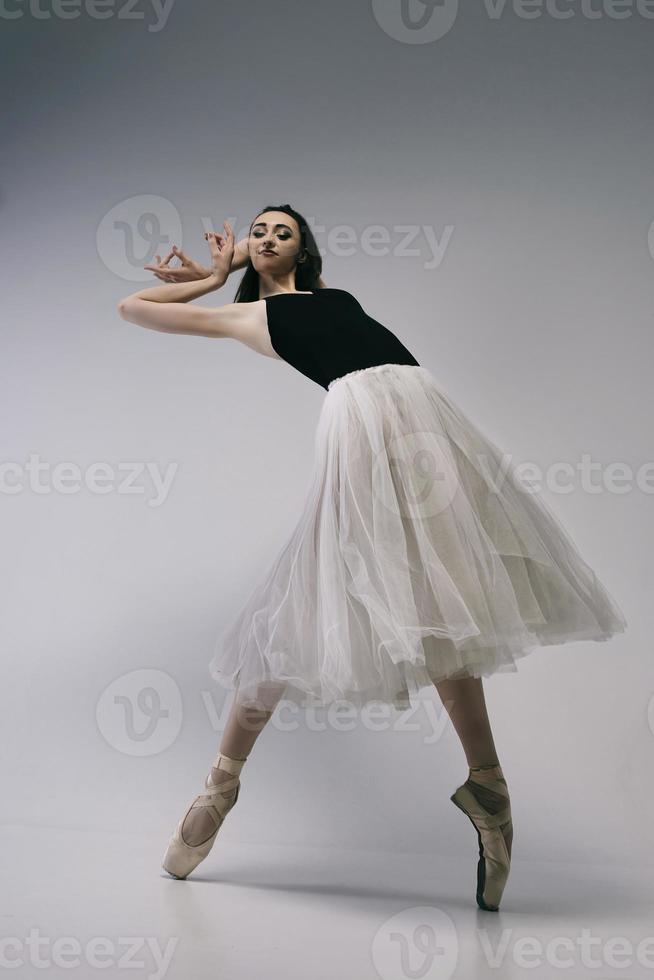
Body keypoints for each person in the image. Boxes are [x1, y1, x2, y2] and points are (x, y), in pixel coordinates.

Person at [117, 203, 627, 910]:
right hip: (360, 431)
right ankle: (222, 783)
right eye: (257, 231)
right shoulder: (248, 319)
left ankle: (490, 790)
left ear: (304, 249)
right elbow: (132, 306)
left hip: (428, 425)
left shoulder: (331, 297)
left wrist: (247, 260)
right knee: (304, 600)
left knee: (442, 602)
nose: (267, 238)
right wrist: (215, 272)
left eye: (281, 232)